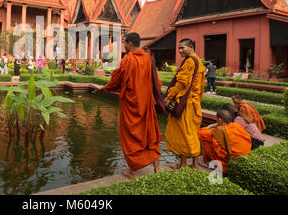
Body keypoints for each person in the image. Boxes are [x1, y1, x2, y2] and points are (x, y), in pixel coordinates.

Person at [93, 32, 164, 179]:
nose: (124, 45)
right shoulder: (149, 59)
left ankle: (134, 171)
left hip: (131, 105)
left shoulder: (128, 60)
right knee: (150, 134)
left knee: (131, 137)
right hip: (147, 105)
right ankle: (157, 167)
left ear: (130, 43)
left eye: (124, 43)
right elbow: (157, 83)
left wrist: (104, 88)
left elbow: (116, 81)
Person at [164, 38, 205, 169]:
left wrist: (169, 97)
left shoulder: (189, 62)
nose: (180, 51)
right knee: (192, 132)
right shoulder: (198, 61)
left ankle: (183, 164)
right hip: (194, 103)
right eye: (179, 48)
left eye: (183, 48)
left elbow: (181, 83)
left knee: (184, 133)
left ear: (191, 47)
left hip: (186, 103)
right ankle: (194, 163)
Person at [198, 108, 251, 173]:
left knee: (205, 139)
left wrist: (210, 126)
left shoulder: (219, 131)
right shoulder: (237, 126)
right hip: (243, 157)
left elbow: (200, 133)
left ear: (220, 120)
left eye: (216, 119)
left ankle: (209, 161)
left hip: (227, 161)